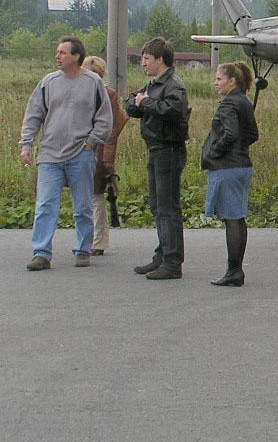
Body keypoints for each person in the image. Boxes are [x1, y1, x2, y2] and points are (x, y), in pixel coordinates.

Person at [19, 36, 113, 270]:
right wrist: (26, 144)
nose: (57, 56)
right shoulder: (48, 82)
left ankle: (83, 249)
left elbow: (105, 118)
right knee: (46, 205)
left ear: (76, 57)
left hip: (81, 154)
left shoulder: (93, 83)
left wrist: (92, 142)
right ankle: (41, 252)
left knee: (82, 206)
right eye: (57, 52)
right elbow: (33, 114)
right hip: (50, 154)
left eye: (62, 52)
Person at [126, 37, 191, 281]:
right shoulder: (153, 84)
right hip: (155, 148)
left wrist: (147, 103)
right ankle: (162, 255)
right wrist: (140, 103)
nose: (143, 63)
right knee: (157, 205)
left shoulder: (173, 84)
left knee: (168, 207)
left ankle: (172, 262)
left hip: (169, 149)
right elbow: (131, 104)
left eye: (147, 59)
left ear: (160, 59)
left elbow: (174, 111)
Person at [202, 61, 259, 287]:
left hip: (228, 167)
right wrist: (239, 148)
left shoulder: (228, 104)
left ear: (231, 81)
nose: (216, 83)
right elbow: (253, 134)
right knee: (238, 217)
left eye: (219, 78)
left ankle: (234, 270)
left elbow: (230, 133)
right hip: (242, 165)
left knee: (232, 219)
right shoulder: (244, 101)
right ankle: (235, 269)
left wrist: (215, 151)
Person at [81, 56, 129, 257]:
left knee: (96, 195)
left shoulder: (108, 95)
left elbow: (113, 127)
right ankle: (91, 239)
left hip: (98, 149)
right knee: (90, 197)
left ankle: (98, 240)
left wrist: (107, 159)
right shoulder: (84, 92)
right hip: (82, 148)